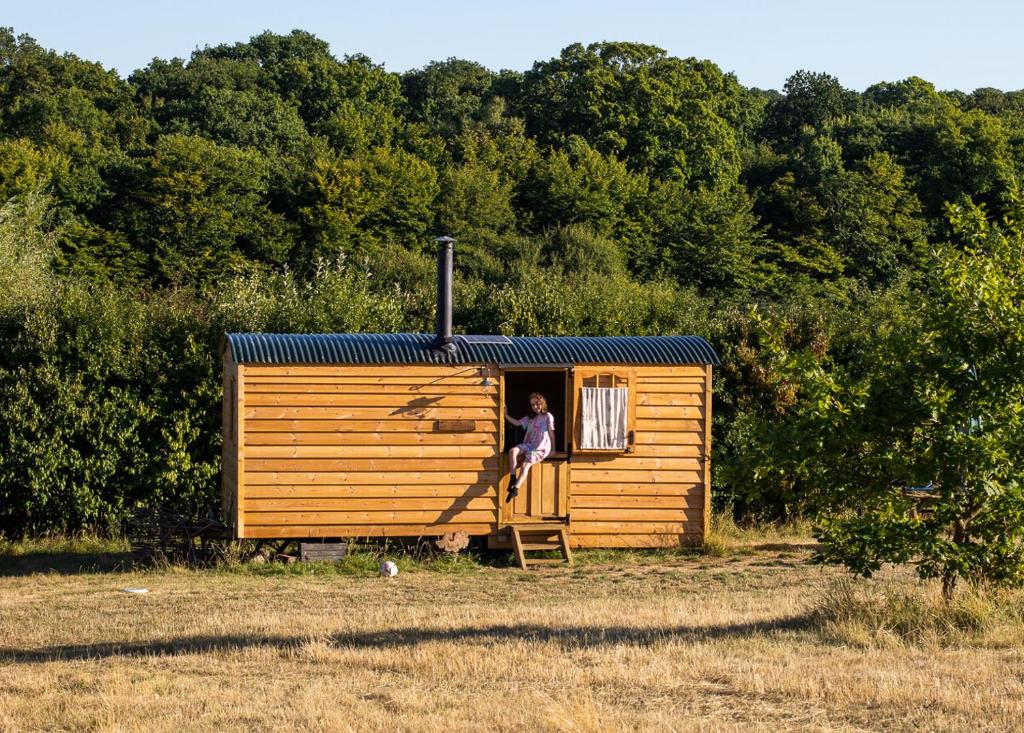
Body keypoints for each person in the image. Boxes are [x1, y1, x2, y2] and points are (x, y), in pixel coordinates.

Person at [503, 392, 555, 502]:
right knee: (512, 451)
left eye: (537, 403)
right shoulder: (530, 419)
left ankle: (515, 489)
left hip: (540, 447)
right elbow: (517, 423)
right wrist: (506, 415)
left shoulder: (547, 416)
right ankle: (513, 478)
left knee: (525, 465)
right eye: (533, 405)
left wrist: (553, 449)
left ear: (542, 403)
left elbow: (551, 433)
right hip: (530, 444)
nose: (535, 407)